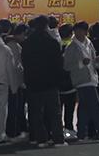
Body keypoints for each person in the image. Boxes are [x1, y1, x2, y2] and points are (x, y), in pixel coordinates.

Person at [21, 16, 66, 148]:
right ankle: (58, 139)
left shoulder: (28, 43)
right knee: (54, 112)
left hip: (33, 82)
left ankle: (40, 139)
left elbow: (25, 62)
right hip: (50, 82)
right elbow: (58, 63)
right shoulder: (52, 42)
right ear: (47, 26)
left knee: (36, 113)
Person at [64, 21, 99, 142]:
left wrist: (96, 61)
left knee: (84, 108)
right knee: (96, 107)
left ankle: (82, 133)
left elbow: (92, 62)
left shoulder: (89, 44)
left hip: (92, 78)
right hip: (81, 80)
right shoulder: (71, 47)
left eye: (80, 31)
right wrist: (81, 63)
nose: (77, 33)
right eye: (76, 31)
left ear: (86, 32)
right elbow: (66, 66)